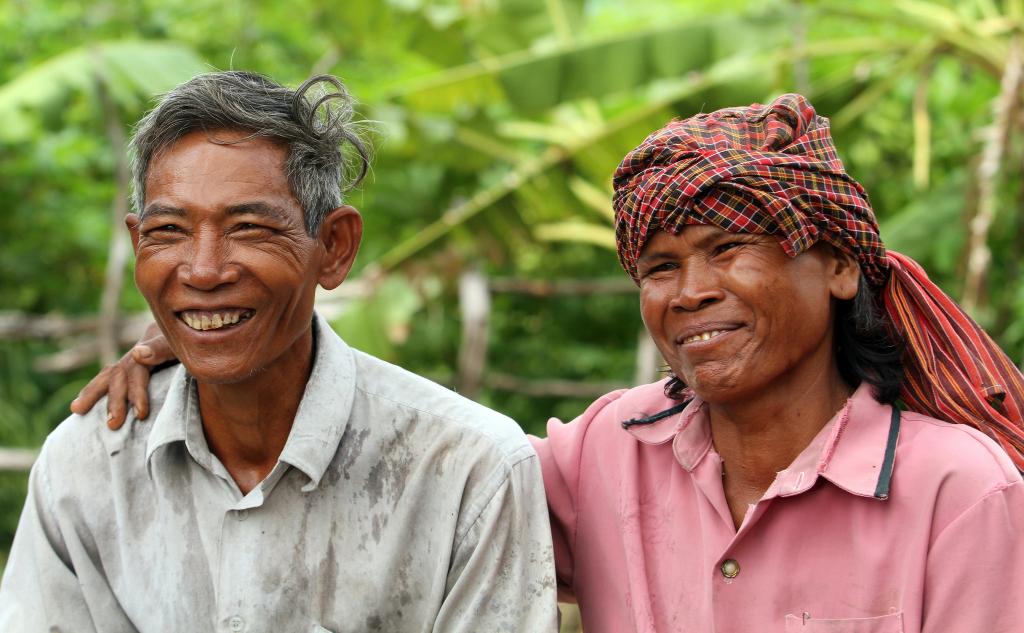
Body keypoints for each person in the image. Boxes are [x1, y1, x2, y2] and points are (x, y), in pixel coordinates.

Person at [73, 94, 1024, 632]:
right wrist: (215, 346)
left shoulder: (957, 489)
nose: (689, 291)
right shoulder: (613, 452)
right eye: (658, 265)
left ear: (839, 263)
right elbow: (426, 472)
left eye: (731, 249)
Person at [0, 71, 557, 632]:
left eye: (249, 228)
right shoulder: (88, 465)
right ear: (136, 242)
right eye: (168, 230)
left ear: (334, 248)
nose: (203, 270)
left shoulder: (467, 471)